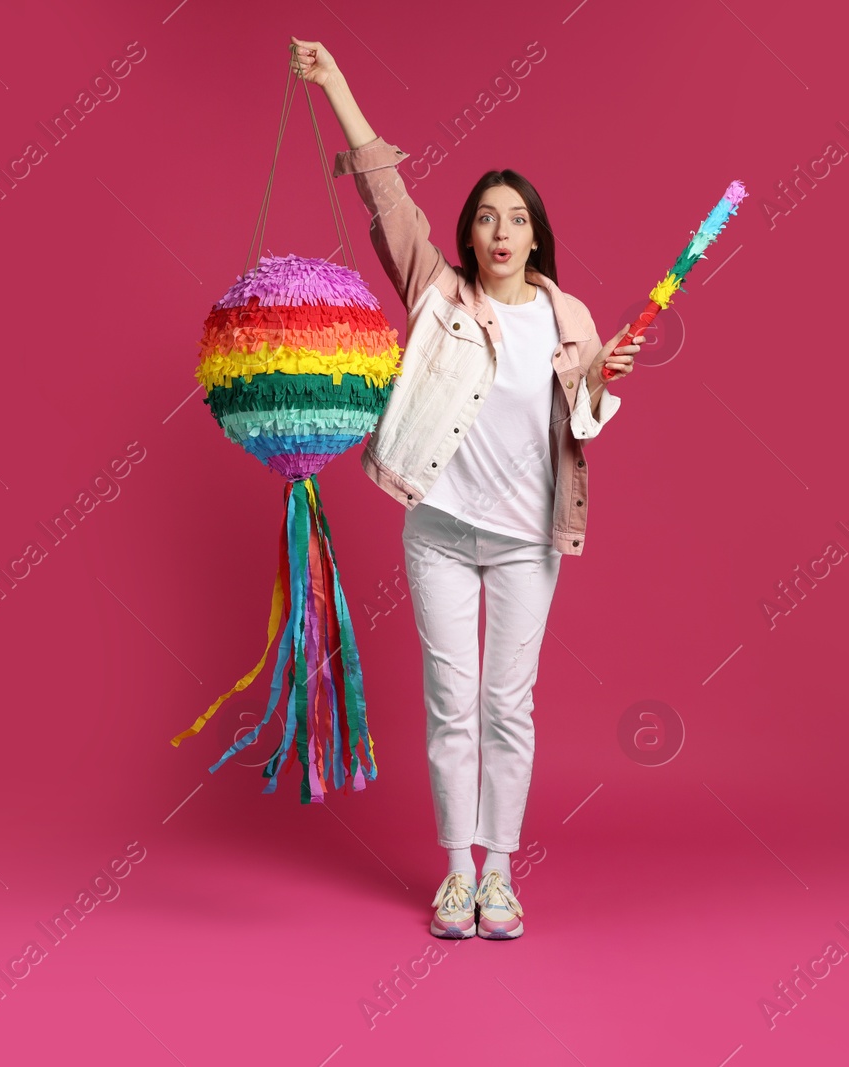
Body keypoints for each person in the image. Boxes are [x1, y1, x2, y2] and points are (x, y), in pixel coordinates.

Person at [291, 36, 639, 940]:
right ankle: (454, 875)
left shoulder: (570, 315)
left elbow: (582, 426)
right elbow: (384, 192)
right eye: (485, 217)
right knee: (452, 702)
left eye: (514, 218)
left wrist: (599, 379)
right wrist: (336, 83)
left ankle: (501, 877)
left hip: (528, 538)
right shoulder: (436, 295)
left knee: (506, 705)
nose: (498, 232)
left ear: (535, 233)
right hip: (441, 530)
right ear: (469, 232)